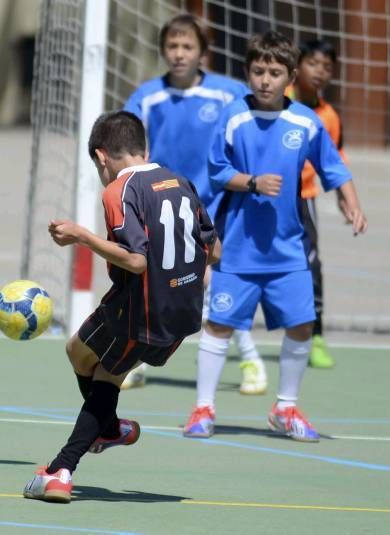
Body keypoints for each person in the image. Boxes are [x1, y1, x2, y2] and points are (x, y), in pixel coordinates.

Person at [23, 111, 220, 504]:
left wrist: (81, 235)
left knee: (107, 377)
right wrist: (188, 288)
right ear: (144, 148)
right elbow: (212, 249)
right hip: (180, 310)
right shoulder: (179, 181)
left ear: (101, 157)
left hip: (142, 310)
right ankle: (109, 429)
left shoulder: (118, 191)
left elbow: (136, 261)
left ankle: (61, 471)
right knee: (78, 351)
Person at [183, 31, 367, 442]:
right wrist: (250, 182)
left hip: (288, 250)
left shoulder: (306, 121)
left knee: (302, 326)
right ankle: (203, 408)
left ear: (290, 76)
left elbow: (334, 168)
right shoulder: (233, 117)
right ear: (248, 73)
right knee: (218, 325)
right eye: (258, 71)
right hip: (238, 250)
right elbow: (215, 170)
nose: (265, 79)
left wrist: (351, 203)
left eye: (275, 72)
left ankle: (285, 408)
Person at [123, 13, 266, 395]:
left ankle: (251, 360)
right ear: (163, 51)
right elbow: (129, 144)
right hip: (163, 207)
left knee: (214, 286)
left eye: (188, 46)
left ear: (203, 52)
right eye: (172, 46)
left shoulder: (227, 93)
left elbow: (254, 128)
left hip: (213, 206)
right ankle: (133, 361)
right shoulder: (148, 96)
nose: (180, 53)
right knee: (154, 287)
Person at [286, 39, 348, 369]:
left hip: (304, 198)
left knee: (311, 266)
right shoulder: (277, 102)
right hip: (265, 196)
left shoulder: (330, 117)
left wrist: (344, 198)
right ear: (298, 66)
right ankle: (231, 335)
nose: (320, 72)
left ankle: (316, 335)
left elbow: (335, 162)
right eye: (314, 63)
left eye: (327, 66)